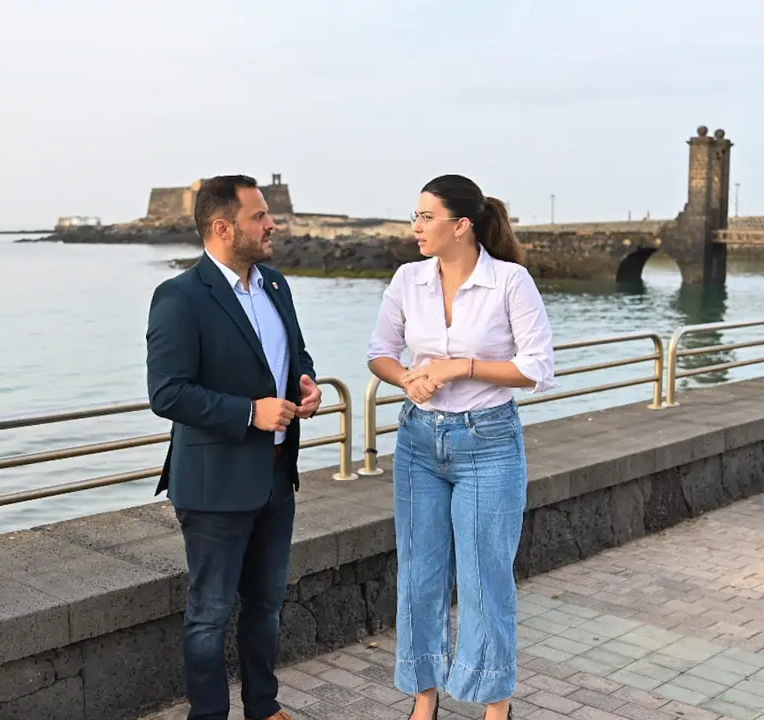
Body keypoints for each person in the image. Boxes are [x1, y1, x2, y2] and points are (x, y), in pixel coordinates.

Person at [366, 174, 556, 720]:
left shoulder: (511, 282)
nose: (417, 226)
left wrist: (463, 367)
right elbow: (380, 351)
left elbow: (538, 368)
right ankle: (424, 703)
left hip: (489, 443)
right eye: (416, 216)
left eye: (427, 217)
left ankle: (497, 708)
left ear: (462, 224)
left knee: (483, 579)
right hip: (418, 441)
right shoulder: (408, 279)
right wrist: (406, 379)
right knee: (419, 576)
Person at [146, 174, 321, 720]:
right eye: (259, 216)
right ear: (223, 227)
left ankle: (263, 708)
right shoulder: (178, 298)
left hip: (275, 474)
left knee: (266, 603)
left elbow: (292, 353)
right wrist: (250, 413)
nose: (273, 224)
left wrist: (306, 381)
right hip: (214, 483)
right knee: (210, 612)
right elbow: (167, 392)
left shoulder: (275, 285)